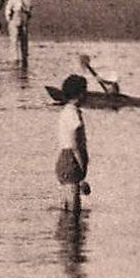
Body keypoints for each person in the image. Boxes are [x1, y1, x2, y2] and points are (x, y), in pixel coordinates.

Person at [50, 75, 91, 212]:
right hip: (72, 159)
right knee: (74, 208)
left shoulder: (65, 112)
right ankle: (72, 231)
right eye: (85, 92)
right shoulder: (74, 115)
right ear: (80, 94)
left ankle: (66, 229)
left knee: (67, 203)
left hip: (63, 158)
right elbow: (76, 144)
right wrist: (83, 166)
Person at [3, 0, 32, 68]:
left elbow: (8, 9)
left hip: (15, 17)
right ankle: (24, 57)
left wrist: (8, 19)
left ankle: (14, 58)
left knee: (14, 39)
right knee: (24, 39)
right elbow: (30, 9)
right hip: (24, 18)